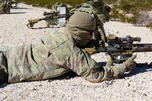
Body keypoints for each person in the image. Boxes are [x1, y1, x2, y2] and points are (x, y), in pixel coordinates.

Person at [0, 12, 136, 84]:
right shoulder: (70, 51)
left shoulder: (61, 32)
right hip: (5, 69)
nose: (92, 36)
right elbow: (96, 75)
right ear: (82, 33)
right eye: (90, 33)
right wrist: (124, 67)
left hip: (6, 54)